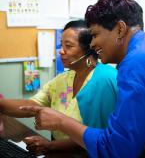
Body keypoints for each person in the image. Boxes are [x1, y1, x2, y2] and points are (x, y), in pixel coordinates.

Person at [21, 0, 145, 158]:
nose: (91, 44)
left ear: (120, 29)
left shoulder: (136, 64)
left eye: (95, 35)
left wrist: (60, 121)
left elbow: (117, 149)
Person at [0, 19, 118, 156]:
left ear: (89, 48)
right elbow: (31, 105)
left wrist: (50, 146)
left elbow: (101, 137)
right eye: (61, 45)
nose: (61, 51)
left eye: (68, 46)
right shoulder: (63, 79)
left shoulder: (105, 79)